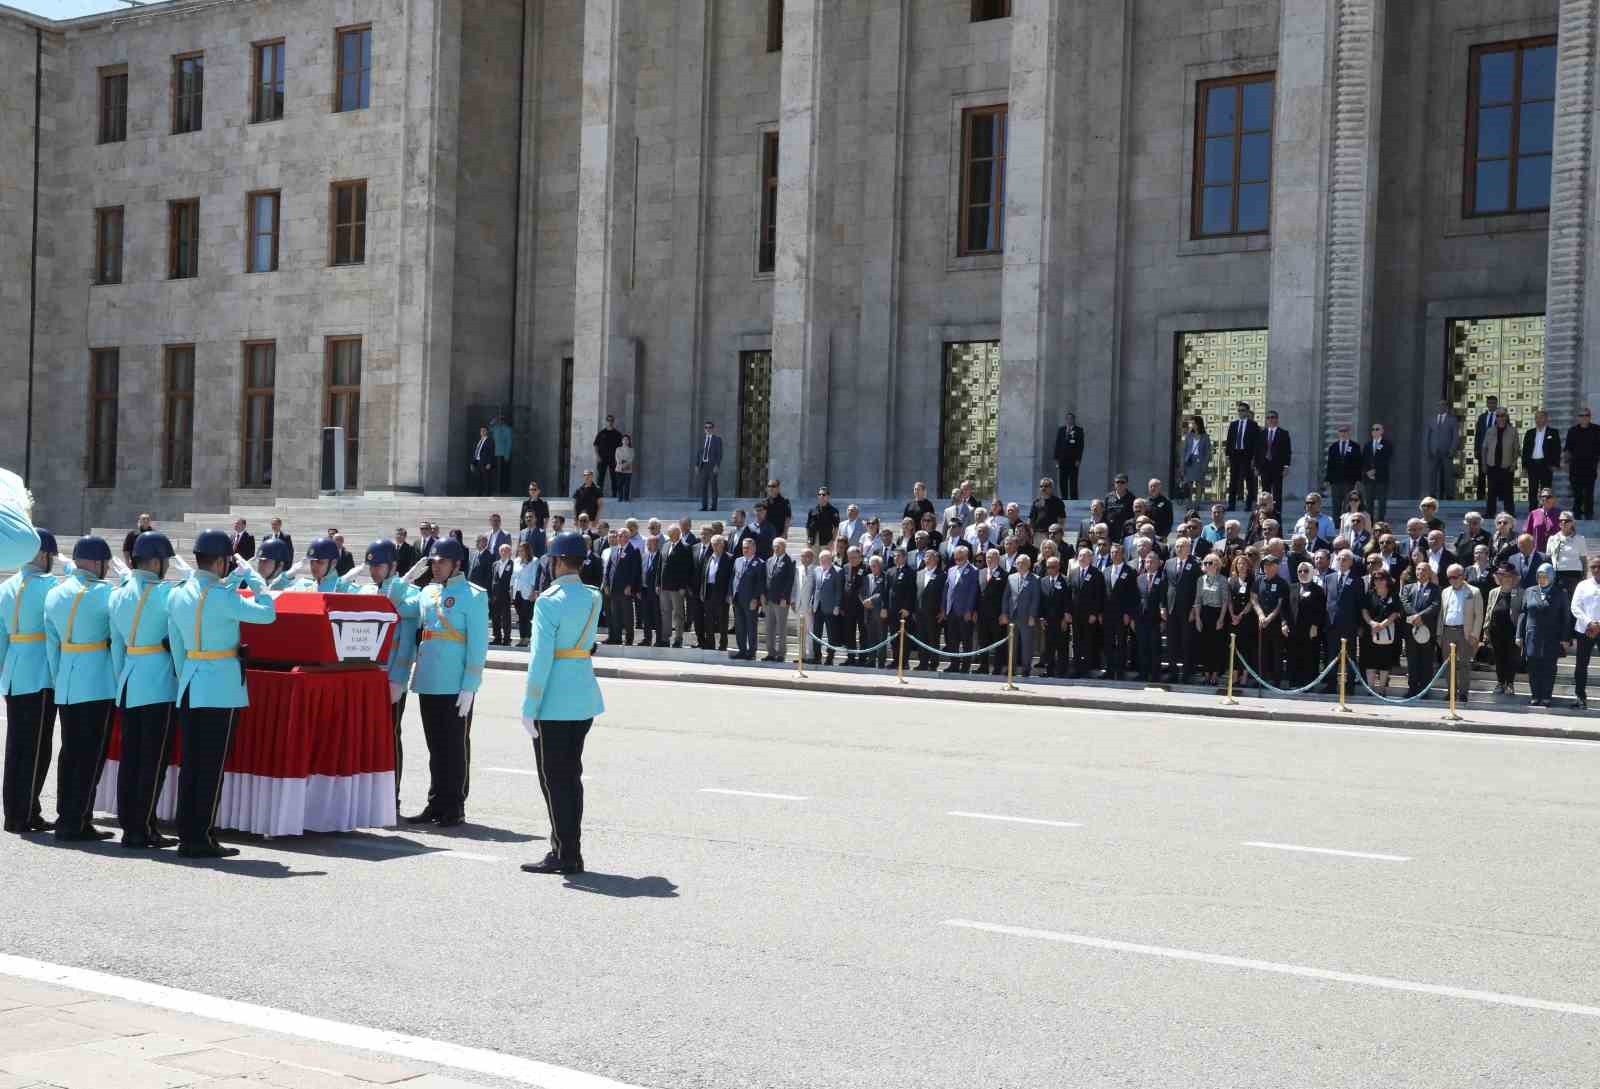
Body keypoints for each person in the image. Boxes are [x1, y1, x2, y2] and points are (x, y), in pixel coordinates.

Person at [166, 529, 277, 858]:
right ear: (218, 561)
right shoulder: (225, 598)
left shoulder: (178, 593)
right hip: (220, 687)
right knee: (211, 765)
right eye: (227, 561)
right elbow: (267, 614)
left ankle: (188, 833)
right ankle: (201, 837)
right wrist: (257, 582)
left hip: (190, 682)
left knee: (191, 764)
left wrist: (187, 671)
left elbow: (176, 645)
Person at [519, 531, 605, 875]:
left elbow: (540, 659)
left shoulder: (549, 601)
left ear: (555, 562)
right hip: (583, 695)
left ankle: (564, 853)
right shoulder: (593, 597)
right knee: (572, 776)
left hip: (554, 701)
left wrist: (529, 704)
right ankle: (571, 848)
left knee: (554, 779)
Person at [399, 537, 488, 827]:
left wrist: (470, 685)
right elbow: (396, 603)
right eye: (433, 562)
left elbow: (477, 644)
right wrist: (406, 579)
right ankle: (436, 803)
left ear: (456, 564)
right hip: (428, 680)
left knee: (455, 746)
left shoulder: (474, 595)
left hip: (455, 683)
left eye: (442, 562)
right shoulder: (426, 593)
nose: (436, 567)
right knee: (435, 747)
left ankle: (455, 805)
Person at [43, 536, 118, 842]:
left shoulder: (55, 594)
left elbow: (52, 647)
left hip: (67, 681)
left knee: (70, 752)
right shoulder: (106, 594)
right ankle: (78, 820)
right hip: (97, 683)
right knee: (90, 754)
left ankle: (65, 816)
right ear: (97, 563)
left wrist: (59, 677)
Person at [108, 531, 178, 848]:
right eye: (164, 561)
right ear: (154, 561)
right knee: (152, 761)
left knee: (131, 758)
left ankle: (129, 825)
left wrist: (122, 678)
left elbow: (116, 650)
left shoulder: (118, 594)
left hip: (129, 679)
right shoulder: (167, 594)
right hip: (158, 683)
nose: (165, 567)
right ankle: (143, 827)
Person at [1, 528, 60, 833]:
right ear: (41, 554)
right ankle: (24, 812)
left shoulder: (6, 586)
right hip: (40, 673)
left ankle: (14, 809)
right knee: (37, 747)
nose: (52, 561)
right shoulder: (50, 587)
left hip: (13, 672)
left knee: (16, 746)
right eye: (50, 555)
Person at [362, 540, 423, 813]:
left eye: (379, 566)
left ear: (393, 567)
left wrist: (399, 678)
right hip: (366, 675)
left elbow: (408, 619)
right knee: (366, 737)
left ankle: (391, 796)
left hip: (391, 678)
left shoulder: (410, 592)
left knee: (389, 736)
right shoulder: (366, 590)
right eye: (371, 565)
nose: (374, 571)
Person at [1517, 564, 1569, 707]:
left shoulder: (1560, 593)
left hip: (1552, 637)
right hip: (1532, 636)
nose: (1542, 579)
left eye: (1545, 576)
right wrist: (1519, 635)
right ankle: (1535, 695)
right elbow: (1523, 614)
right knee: (1533, 666)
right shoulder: (1529, 591)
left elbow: (1566, 617)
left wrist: (1565, 638)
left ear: (1551, 577)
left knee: (1549, 667)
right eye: (1539, 576)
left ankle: (1546, 696)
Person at [1437, 564, 1482, 705]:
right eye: (1449, 577)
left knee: (1464, 664)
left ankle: (1463, 693)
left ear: (1463, 576)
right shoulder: (1445, 591)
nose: (1452, 580)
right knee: (1448, 664)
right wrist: (1439, 633)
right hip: (1447, 631)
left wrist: (1475, 634)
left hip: (1465, 632)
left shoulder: (1474, 592)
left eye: (1455, 577)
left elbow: (1479, 615)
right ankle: (1451, 692)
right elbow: (1441, 613)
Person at [1400, 561, 1442, 698]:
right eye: (1418, 569)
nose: (1420, 572)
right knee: (1412, 661)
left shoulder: (1435, 589)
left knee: (1426, 661)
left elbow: (1435, 605)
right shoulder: (1408, 587)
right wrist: (1414, 616)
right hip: (1411, 630)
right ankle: (1412, 688)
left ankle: (1424, 690)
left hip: (1427, 630)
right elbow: (1404, 602)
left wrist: (1421, 616)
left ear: (1429, 573)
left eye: (1424, 570)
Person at [1359, 568, 1402, 696]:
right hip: (1370, 632)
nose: (1378, 581)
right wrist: (1372, 623)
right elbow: (1364, 610)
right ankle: (1371, 689)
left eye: (1381, 578)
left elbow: (1395, 612)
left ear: (1387, 580)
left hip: (1387, 632)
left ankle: (1382, 689)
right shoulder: (1369, 594)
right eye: (1375, 579)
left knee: (1384, 662)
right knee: (1369, 661)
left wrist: (1382, 625)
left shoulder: (1393, 595)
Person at [1284, 561, 1327, 687]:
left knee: (1309, 656)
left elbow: (1321, 610)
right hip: (1293, 629)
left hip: (1310, 630)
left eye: (1306, 571)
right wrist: (1284, 623)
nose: (1303, 573)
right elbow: (1284, 608)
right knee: (1293, 656)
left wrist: (1315, 625)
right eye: (1300, 571)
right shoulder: (1291, 587)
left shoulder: (1318, 590)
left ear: (1312, 572)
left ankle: (1308, 683)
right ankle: (1293, 682)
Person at [1485, 564, 1524, 696]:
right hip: (1496, 631)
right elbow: (1489, 611)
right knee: (1499, 657)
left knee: (1512, 658)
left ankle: (1510, 684)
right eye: (1502, 576)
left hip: (1513, 631)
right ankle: (1500, 683)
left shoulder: (1520, 592)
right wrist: (1486, 630)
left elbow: (1523, 613)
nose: (1505, 578)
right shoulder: (1493, 592)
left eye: (1508, 576)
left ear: (1513, 577)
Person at [1000, 554, 1041, 678]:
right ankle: (1011, 668)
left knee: (1026, 644)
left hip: (1026, 617)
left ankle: (1025, 669)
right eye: (1018, 563)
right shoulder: (1011, 577)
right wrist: (1004, 613)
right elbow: (1006, 597)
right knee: (1012, 644)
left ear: (1028, 564)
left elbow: (1035, 599)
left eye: (1022, 563)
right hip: (1012, 616)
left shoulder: (1035, 579)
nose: (1020, 565)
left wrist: (1032, 616)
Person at [1192, 552, 1228, 686]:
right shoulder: (1200, 580)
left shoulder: (1222, 579)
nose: (1207, 565)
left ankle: (1215, 674)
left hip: (1217, 613)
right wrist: (1197, 618)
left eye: (1210, 563)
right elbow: (1197, 600)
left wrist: (1221, 619)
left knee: (1216, 646)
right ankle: (1206, 674)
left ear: (1217, 565)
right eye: (1205, 563)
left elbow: (1225, 601)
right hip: (1204, 613)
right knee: (1204, 646)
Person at [727, 537, 766, 661]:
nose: (745, 550)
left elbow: (760, 583)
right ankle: (742, 650)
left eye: (747, 548)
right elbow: (733, 578)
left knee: (751, 627)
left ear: (754, 548)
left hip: (750, 600)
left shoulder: (760, 563)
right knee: (739, 626)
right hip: (737, 598)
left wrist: (756, 599)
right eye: (743, 547)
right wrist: (730, 593)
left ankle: (752, 652)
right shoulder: (738, 561)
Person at [1570, 557, 1600, 709]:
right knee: (1581, 665)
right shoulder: (1583, 585)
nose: (1596, 569)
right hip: (1584, 629)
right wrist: (1589, 622)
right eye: (1593, 567)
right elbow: (1575, 607)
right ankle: (1580, 697)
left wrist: (1598, 625)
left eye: (1599, 566)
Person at [602, 529, 639, 646]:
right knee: (615, 615)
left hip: (625, 590)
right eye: (618, 536)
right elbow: (608, 569)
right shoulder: (614, 550)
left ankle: (629, 639)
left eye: (620, 536)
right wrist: (606, 584)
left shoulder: (633, 551)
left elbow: (635, 571)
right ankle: (616, 638)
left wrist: (630, 586)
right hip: (613, 589)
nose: (617, 537)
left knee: (627, 615)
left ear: (627, 537)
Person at [1481, 407, 1518, 517]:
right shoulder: (1490, 431)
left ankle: (1509, 513)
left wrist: (1514, 463)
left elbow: (1516, 450)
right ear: (1495, 418)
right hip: (1492, 465)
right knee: (1491, 491)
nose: (1500, 418)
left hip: (1507, 466)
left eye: (1502, 415)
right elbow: (1484, 448)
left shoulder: (1513, 431)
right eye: (1498, 416)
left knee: (1508, 492)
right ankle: (1490, 513)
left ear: (1506, 417)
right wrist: (1483, 464)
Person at [698, 533, 732, 652]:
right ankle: (710, 644)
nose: (715, 546)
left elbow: (731, 578)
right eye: (713, 544)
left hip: (722, 593)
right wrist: (702, 591)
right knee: (709, 619)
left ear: (723, 545)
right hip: (708, 591)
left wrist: (729, 594)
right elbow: (704, 576)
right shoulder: (708, 557)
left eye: (718, 544)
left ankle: (723, 645)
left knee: (723, 620)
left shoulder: (729, 558)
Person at [1522, 409, 1561, 513]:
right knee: (1532, 490)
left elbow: (1557, 449)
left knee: (1546, 491)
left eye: (1541, 417)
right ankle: (1533, 511)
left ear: (1546, 419)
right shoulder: (1529, 433)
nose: (1538, 420)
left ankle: (1546, 511)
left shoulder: (1553, 432)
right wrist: (1524, 466)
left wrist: (1554, 464)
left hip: (1546, 465)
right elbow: (1525, 450)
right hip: (1532, 465)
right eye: (1537, 417)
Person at [1225, 402, 1260, 511]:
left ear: (1247, 411)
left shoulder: (1253, 425)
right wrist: (1227, 456)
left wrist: (1255, 458)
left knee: (1249, 480)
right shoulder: (1233, 424)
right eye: (1239, 410)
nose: (1241, 412)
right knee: (1233, 480)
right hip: (1235, 454)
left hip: (1247, 455)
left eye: (1243, 410)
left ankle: (1248, 504)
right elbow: (1229, 440)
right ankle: (1231, 504)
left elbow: (1256, 443)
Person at [1254, 410, 1292, 511]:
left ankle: (1277, 513)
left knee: (1277, 492)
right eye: (1268, 418)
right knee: (1265, 492)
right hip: (1264, 467)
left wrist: (1286, 466)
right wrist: (1257, 467)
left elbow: (1287, 451)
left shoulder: (1283, 433)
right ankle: (1266, 512)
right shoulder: (1261, 434)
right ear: (1266, 420)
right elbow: (1257, 451)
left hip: (1277, 467)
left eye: (1273, 417)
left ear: (1277, 419)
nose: (1271, 419)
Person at [1424, 399, 1460, 501]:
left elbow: (1455, 436)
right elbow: (1427, 436)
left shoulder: (1452, 420)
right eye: (1439, 406)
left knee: (1448, 474)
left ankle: (1449, 495)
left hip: (1447, 451)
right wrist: (1428, 449)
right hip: (1433, 451)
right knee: (1432, 474)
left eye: (1443, 405)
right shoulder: (1431, 419)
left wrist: (1452, 450)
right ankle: (1432, 494)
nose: (1441, 407)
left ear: (1447, 407)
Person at [1567, 408, 1599, 520]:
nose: (1584, 417)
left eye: (1586, 415)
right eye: (1581, 415)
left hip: (1591, 467)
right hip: (1575, 468)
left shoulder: (1597, 430)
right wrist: (1565, 463)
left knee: (1589, 493)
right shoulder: (1572, 431)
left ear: (1589, 417)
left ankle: (1589, 514)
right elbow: (1568, 449)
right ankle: (1577, 515)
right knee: (1577, 493)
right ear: (1578, 417)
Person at [1549, 510, 1588, 597]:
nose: (1563, 522)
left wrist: (1584, 577)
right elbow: (1548, 558)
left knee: (1572, 602)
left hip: (1574, 575)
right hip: (1557, 575)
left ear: (1572, 523)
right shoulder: (1552, 539)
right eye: (1561, 520)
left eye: (1566, 520)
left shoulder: (1580, 539)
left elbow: (1583, 560)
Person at [1325, 424, 1363, 505]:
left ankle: (1347, 518)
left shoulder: (1355, 446)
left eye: (1345, 431)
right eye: (1341, 431)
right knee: (1336, 503)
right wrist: (1328, 479)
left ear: (1349, 433)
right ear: (1338, 433)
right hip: (1335, 481)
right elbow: (1330, 464)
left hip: (1349, 480)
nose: (1343, 433)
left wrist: (1358, 479)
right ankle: (1336, 518)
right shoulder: (1333, 446)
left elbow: (1358, 463)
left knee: (1348, 503)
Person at [1362, 423, 1393, 522]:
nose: (1375, 431)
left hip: (1381, 477)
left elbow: (1386, 459)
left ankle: (1380, 521)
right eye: (1373, 429)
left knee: (1381, 501)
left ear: (1382, 431)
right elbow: (1364, 460)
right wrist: (1367, 472)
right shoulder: (1367, 445)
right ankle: (1369, 521)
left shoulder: (1387, 444)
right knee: (1369, 501)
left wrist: (1375, 471)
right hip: (1369, 478)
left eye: (1377, 429)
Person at [1473, 396, 1500, 504]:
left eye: (1494, 402)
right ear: (1487, 404)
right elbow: (1478, 434)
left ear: (1496, 403)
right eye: (1490, 402)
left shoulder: (1501, 417)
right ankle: (1480, 496)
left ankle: (1494, 496)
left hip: (1495, 451)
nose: (1491, 404)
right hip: (1482, 451)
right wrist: (1476, 449)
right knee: (1481, 474)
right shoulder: (1482, 417)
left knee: (1494, 475)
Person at [1179, 414, 1212, 503]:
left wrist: (1205, 464)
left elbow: (1208, 452)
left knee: (1199, 483)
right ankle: (1189, 503)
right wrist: (1182, 464)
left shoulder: (1205, 437)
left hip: (1200, 461)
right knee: (1188, 483)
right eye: (1191, 423)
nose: (1192, 425)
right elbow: (1184, 450)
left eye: (1193, 423)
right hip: (1189, 460)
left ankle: (1197, 503)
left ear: (1198, 424)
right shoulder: (1189, 436)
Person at [489, 543, 515, 647]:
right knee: (495, 617)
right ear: (499, 552)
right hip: (495, 594)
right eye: (502, 550)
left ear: (510, 552)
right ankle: (497, 637)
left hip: (506, 593)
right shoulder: (495, 564)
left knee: (506, 617)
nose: (504, 552)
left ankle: (507, 638)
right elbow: (493, 578)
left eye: (506, 550)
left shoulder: (512, 564)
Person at [1053, 412, 1084, 499]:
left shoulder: (1079, 430)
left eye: (1071, 418)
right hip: (1062, 460)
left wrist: (1078, 459)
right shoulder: (1061, 430)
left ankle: (1074, 498)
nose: (1069, 420)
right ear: (1066, 420)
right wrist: (1056, 459)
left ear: (1074, 420)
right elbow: (1057, 445)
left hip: (1073, 460)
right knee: (1062, 480)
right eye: (1068, 418)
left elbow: (1080, 446)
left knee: (1073, 480)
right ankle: (1064, 497)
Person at [695, 420, 723, 511]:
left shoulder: (717, 439)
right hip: (703, 466)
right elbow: (699, 453)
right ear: (704, 429)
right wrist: (696, 465)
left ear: (713, 429)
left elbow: (719, 454)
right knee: (704, 487)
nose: (708, 429)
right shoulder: (702, 440)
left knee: (713, 487)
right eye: (706, 427)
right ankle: (704, 506)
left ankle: (714, 506)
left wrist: (717, 466)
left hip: (712, 466)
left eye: (710, 427)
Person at [1525, 489, 1562, 555]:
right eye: (1543, 497)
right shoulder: (1533, 513)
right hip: (1537, 552)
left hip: (1556, 552)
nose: (1545, 499)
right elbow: (1527, 534)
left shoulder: (1560, 514)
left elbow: (1568, 532)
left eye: (1548, 497)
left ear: (1554, 499)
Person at [592, 415, 623, 494]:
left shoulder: (618, 434)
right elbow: (595, 445)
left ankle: (615, 495)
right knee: (600, 478)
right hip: (602, 459)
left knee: (614, 478)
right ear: (606, 422)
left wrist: (619, 459)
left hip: (614, 459)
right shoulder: (601, 433)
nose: (610, 422)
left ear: (613, 421)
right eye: (608, 420)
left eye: (611, 420)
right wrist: (598, 456)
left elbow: (621, 448)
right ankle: (598, 495)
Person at [470, 426, 496, 496]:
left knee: (487, 480)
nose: (482, 432)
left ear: (487, 431)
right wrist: (473, 463)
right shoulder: (479, 441)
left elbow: (491, 452)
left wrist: (489, 463)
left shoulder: (490, 440)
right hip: (478, 462)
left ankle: (488, 495)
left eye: (484, 430)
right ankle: (479, 495)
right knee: (478, 480)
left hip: (485, 463)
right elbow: (476, 452)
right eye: (481, 431)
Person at [491, 414, 514, 494]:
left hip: (503, 454)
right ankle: (497, 489)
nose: (500, 421)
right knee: (496, 473)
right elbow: (490, 428)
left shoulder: (508, 429)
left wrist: (507, 455)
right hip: (495, 453)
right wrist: (494, 420)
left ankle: (504, 490)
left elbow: (509, 443)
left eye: (501, 420)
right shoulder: (496, 428)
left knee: (504, 473)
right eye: (499, 420)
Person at [613, 434, 635, 501]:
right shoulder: (618, 449)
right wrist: (621, 465)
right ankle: (620, 497)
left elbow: (631, 459)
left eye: (627, 439)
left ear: (629, 441)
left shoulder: (631, 450)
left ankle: (626, 498)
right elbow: (617, 458)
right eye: (624, 439)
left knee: (627, 485)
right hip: (619, 469)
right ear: (622, 441)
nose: (625, 441)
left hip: (628, 470)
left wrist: (626, 465)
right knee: (619, 484)